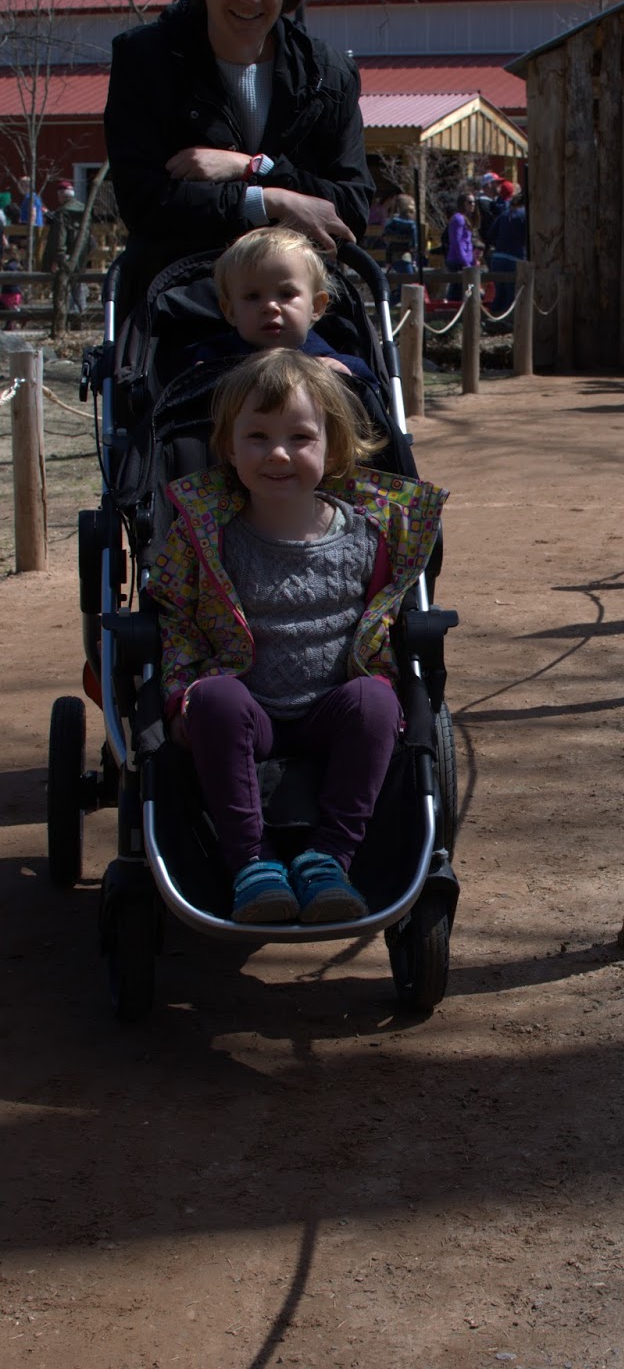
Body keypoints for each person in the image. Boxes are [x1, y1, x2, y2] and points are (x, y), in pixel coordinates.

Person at [144, 349, 447, 924]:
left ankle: (328, 858)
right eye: (256, 437)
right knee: (212, 698)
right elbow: (176, 619)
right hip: (245, 706)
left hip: (332, 708)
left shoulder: (374, 535)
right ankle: (252, 863)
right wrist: (179, 692)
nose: (278, 454)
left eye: (300, 437)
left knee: (376, 700)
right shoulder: (205, 537)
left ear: (333, 448)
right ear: (229, 448)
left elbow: (386, 626)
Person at [104, 0, 373, 320]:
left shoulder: (329, 75)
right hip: (182, 306)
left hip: (296, 311)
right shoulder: (147, 61)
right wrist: (271, 201)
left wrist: (251, 167)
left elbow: (350, 212)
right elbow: (146, 204)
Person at [189, 227, 378, 385]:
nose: (270, 306)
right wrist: (201, 383)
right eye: (253, 296)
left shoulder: (334, 365)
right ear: (230, 311)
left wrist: (348, 383)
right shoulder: (214, 360)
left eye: (286, 294)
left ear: (316, 306)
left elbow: (372, 407)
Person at [43, 179, 89, 327]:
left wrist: (58, 256)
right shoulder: (84, 209)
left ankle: (65, 322)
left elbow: (59, 237)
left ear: (62, 195)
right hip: (81, 254)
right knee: (79, 287)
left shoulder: (62, 212)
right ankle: (81, 319)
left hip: (67, 256)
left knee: (65, 289)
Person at [488, 186, 527, 312]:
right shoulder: (525, 215)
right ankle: (508, 321)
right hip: (515, 259)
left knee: (499, 295)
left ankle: (493, 319)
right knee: (511, 298)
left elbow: (490, 235)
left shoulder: (503, 215)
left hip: (497, 259)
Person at [381, 194, 419, 301]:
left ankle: (386, 305)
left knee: (403, 287)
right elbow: (414, 244)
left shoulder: (392, 223)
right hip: (405, 257)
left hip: (395, 257)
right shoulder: (410, 225)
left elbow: (387, 239)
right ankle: (387, 305)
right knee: (407, 286)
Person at [445, 191, 479, 300]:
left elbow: (468, 242)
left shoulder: (466, 219)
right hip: (457, 261)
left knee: (466, 290)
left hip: (466, 261)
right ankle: (451, 308)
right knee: (457, 291)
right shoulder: (458, 219)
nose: (473, 204)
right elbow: (457, 242)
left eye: (474, 202)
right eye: (470, 202)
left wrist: (473, 260)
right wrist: (465, 262)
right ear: (462, 204)